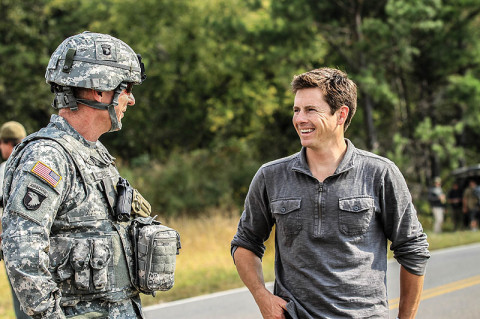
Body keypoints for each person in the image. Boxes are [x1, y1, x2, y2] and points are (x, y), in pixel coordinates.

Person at [231, 67, 430, 319]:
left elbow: (413, 249)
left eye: (311, 110)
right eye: (296, 110)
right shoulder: (271, 176)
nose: (300, 119)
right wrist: (263, 298)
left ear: (341, 114)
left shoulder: (380, 173)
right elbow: (245, 243)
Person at [0, 32, 159, 319]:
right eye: (127, 89)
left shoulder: (94, 153)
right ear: (100, 90)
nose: (131, 100)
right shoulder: (49, 157)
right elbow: (22, 252)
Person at [0, 121, 30, 319]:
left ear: (8, 143)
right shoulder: (39, 163)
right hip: (45, 245)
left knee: (22, 306)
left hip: (15, 247)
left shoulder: (4, 169)